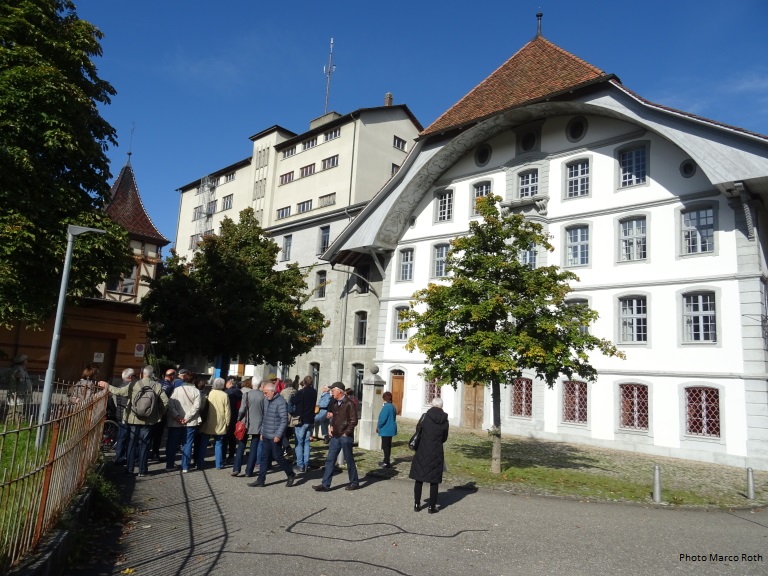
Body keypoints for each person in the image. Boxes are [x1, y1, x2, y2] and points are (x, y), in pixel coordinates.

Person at [103, 366, 168, 477]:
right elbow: (165, 401)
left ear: (141, 374)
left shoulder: (133, 384)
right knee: (145, 445)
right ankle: (142, 471)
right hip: (149, 421)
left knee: (132, 444)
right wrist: (159, 413)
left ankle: (129, 470)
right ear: (151, 375)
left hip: (133, 418)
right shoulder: (157, 385)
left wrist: (107, 385)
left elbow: (119, 392)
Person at [313, 382, 359, 492]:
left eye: (333, 390)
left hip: (345, 436)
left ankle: (354, 482)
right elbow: (334, 418)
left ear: (340, 391)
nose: (332, 393)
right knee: (330, 460)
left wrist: (346, 433)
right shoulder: (334, 403)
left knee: (349, 459)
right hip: (335, 436)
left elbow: (354, 421)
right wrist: (331, 426)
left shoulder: (349, 403)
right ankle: (325, 484)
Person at [248, 381, 296, 488]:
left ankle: (290, 474)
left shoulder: (281, 402)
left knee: (278, 456)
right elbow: (264, 418)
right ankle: (261, 480)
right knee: (264, 458)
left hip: (275, 435)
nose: (264, 395)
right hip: (266, 434)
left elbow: (284, 420)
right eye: (264, 393)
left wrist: (278, 435)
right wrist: (262, 432)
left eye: (266, 393)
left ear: (272, 391)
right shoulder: (266, 401)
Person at [409, 397, 449, 513]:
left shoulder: (425, 416)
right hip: (436, 451)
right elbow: (444, 438)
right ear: (441, 406)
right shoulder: (445, 420)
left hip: (423, 449)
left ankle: (417, 504)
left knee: (419, 478)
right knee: (434, 480)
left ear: (432, 405)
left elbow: (418, 430)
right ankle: (432, 507)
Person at [166, 371, 202, 473]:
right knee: (188, 444)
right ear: (194, 380)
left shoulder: (176, 390)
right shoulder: (196, 391)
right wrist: (187, 418)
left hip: (175, 421)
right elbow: (196, 407)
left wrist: (177, 416)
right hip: (190, 422)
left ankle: (169, 465)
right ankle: (185, 466)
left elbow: (170, 405)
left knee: (172, 444)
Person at [233, 379, 264, 477]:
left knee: (241, 446)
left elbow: (242, 410)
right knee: (254, 447)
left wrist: (238, 419)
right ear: (260, 384)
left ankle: (236, 469)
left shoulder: (246, 395)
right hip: (258, 423)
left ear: (251, 384)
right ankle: (249, 471)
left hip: (245, 423)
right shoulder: (263, 396)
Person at [198, 377, 230, 470]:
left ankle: (200, 463)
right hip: (220, 422)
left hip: (208, 421)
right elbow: (227, 411)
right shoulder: (225, 395)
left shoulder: (209, 393)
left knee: (204, 443)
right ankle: (218, 464)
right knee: (219, 443)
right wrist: (227, 423)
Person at [292, 375, 318, 473]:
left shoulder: (301, 392)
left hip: (301, 420)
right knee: (306, 442)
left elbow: (292, 401)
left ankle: (300, 464)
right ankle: (306, 463)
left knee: (299, 443)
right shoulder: (314, 392)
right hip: (310, 419)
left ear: (304, 383)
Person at [151, 368, 177, 461]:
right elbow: (168, 401)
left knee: (151, 433)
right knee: (158, 435)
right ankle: (155, 453)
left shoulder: (157, 383)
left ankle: (148, 453)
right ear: (172, 376)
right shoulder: (170, 387)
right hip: (161, 413)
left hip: (151, 412)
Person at [113, 368, 136, 466]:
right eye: (134, 375)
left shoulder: (120, 385)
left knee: (121, 436)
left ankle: (119, 457)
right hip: (127, 415)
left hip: (119, 414)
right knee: (127, 438)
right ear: (131, 377)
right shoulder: (130, 387)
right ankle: (124, 457)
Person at [3, 354, 33, 422]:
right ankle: (16, 424)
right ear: (23, 361)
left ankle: (16, 424)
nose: (27, 361)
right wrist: (16, 377)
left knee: (17, 412)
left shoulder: (22, 369)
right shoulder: (17, 369)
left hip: (21, 395)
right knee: (17, 412)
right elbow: (16, 378)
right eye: (26, 360)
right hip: (18, 395)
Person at [376, 391, 398, 468]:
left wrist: (379, 426)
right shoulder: (392, 406)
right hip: (390, 429)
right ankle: (386, 460)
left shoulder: (386, 407)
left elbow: (382, 419)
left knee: (385, 446)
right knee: (388, 446)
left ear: (384, 398)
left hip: (386, 429)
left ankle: (386, 462)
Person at [224, 378, 242, 465]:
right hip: (236, 416)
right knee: (232, 438)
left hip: (228, 416)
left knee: (225, 438)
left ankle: (223, 456)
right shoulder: (239, 392)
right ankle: (231, 456)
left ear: (230, 383)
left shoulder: (227, 393)